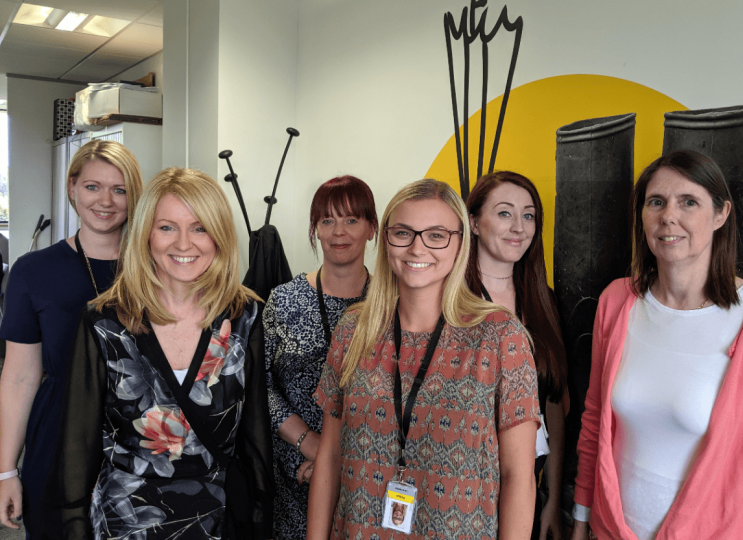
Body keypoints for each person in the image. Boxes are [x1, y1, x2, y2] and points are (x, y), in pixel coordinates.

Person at [571, 150, 743, 540]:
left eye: (689, 202)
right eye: (656, 202)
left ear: (720, 215)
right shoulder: (617, 302)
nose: (669, 216)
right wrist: (581, 517)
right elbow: (595, 420)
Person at [42, 168, 273, 539]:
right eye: (167, 227)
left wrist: (261, 520)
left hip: (219, 522)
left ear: (219, 235)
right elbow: (76, 447)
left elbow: (254, 437)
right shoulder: (105, 324)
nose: (184, 244)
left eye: (199, 227)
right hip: (126, 524)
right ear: (146, 234)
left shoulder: (243, 318)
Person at [308, 178, 541, 540]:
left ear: (460, 242)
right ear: (385, 240)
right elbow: (330, 456)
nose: (417, 248)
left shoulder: (500, 337)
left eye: (436, 235)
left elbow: (518, 476)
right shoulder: (353, 329)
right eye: (403, 233)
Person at [0, 140, 143, 538]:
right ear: (72, 187)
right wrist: (6, 470)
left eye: (120, 189)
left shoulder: (155, 270)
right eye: (93, 186)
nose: (106, 201)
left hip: (139, 435)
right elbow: (18, 378)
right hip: (58, 435)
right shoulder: (32, 272)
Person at [264, 175, 378, 540]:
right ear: (314, 229)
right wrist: (311, 445)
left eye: (351, 220)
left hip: (369, 477)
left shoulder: (392, 304)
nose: (338, 232)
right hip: (291, 476)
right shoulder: (283, 300)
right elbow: (260, 386)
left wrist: (340, 459)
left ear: (372, 228)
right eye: (326, 220)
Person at [466, 171, 568, 540]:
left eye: (528, 216)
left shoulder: (543, 300)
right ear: (474, 222)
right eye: (505, 213)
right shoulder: (450, 301)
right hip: (465, 487)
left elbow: (553, 401)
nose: (519, 227)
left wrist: (552, 497)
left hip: (530, 484)